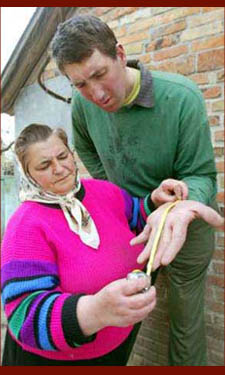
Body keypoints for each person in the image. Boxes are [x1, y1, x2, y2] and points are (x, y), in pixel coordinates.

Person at [51, 15, 223, 366]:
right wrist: (121, 201)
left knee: (185, 326)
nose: (96, 93)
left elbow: (201, 175)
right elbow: (87, 152)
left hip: (185, 233)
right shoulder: (83, 105)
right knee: (116, 317)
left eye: (100, 74)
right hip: (130, 228)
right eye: (80, 83)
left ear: (119, 53)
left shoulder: (181, 97)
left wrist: (178, 206)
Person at [1, 123, 194, 366]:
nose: (59, 169)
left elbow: (135, 217)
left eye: (63, 156)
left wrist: (154, 202)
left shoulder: (104, 192)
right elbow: (23, 317)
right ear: (29, 174)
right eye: (44, 165)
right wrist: (94, 311)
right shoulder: (25, 226)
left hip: (114, 352)